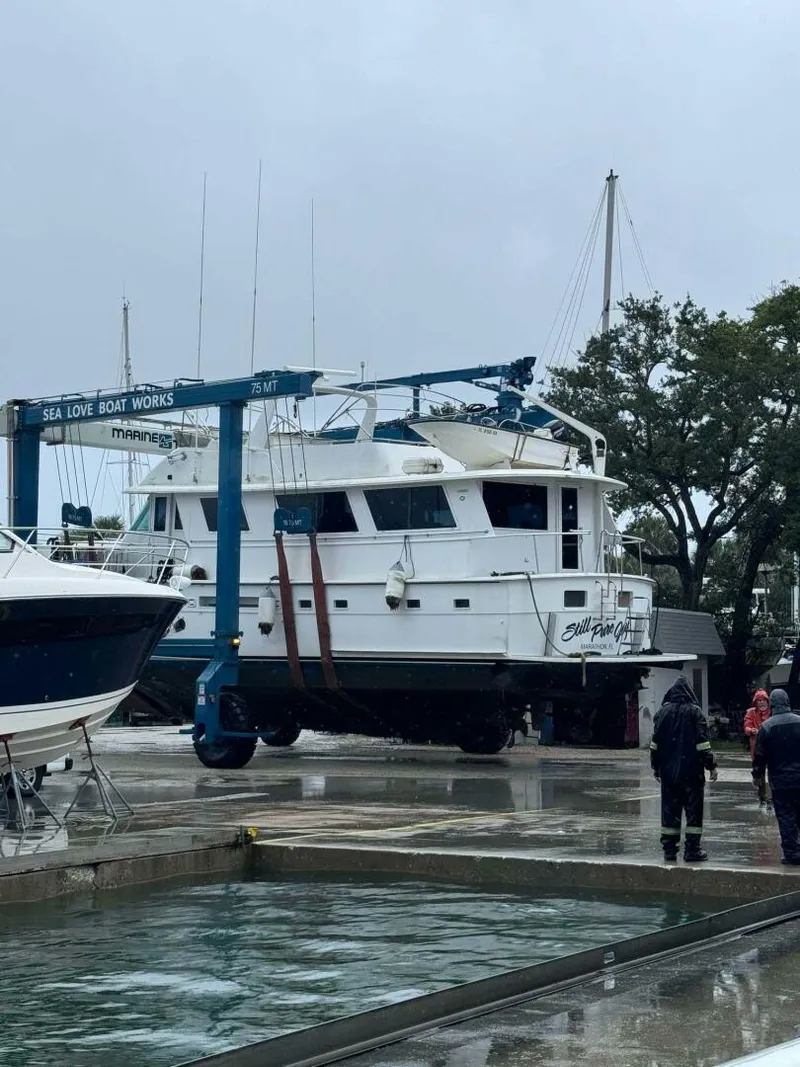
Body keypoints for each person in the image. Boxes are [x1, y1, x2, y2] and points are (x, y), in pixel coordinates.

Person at [650, 677, 718, 862]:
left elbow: (655, 744)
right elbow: (703, 743)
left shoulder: (662, 713)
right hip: (692, 773)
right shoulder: (695, 713)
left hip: (669, 773)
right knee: (693, 813)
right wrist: (711, 766)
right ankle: (692, 850)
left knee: (669, 812)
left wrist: (656, 767)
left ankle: (669, 851)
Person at [752, 688, 800, 866]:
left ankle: (792, 853)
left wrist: (757, 776)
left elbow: (759, 756)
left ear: (772, 703)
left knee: (786, 816)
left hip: (780, 781)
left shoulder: (767, 726)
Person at [744, 688, 771, 806]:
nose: (761, 702)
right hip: (757, 748)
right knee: (759, 772)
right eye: (759, 700)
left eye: (763, 700)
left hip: (771, 748)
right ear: (755, 702)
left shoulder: (772, 712)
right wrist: (751, 730)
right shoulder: (751, 713)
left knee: (772, 772)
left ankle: (770, 798)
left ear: (767, 701)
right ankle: (762, 796)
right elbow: (746, 727)